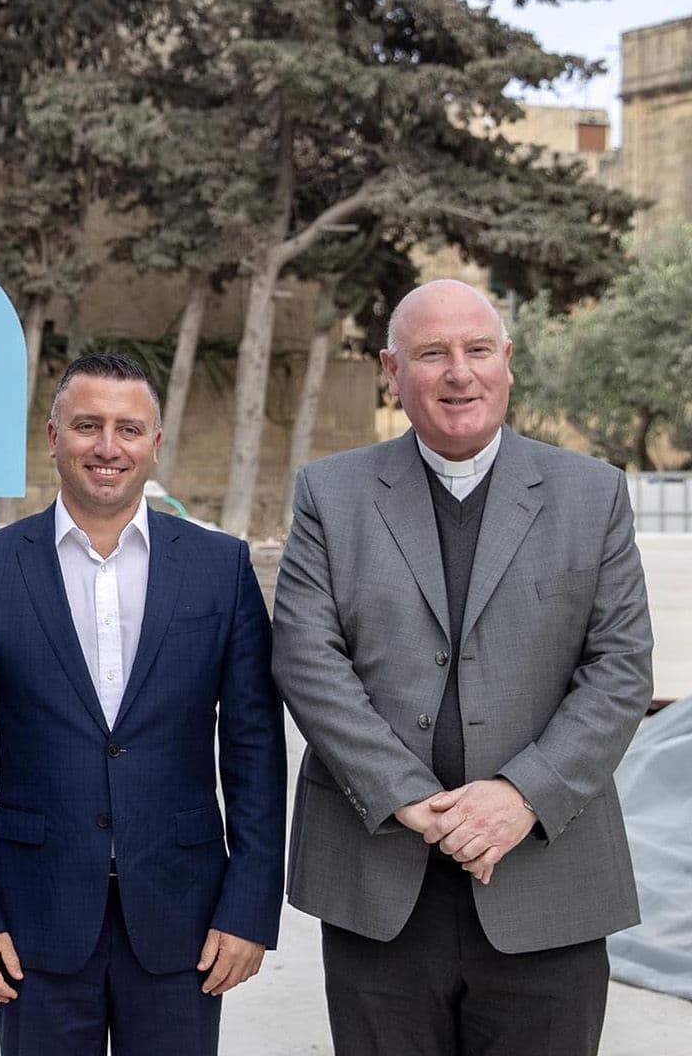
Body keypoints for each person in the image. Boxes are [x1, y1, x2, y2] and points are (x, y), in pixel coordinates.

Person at [273, 279, 654, 1056]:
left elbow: (620, 671)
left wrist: (521, 797)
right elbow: (308, 659)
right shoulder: (329, 494)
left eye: (478, 350)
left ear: (507, 361)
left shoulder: (593, 495)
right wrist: (407, 795)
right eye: (432, 354)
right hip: (379, 881)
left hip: (548, 879)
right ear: (391, 369)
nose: (459, 373)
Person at [0, 352, 285, 1055]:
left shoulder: (221, 568)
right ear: (54, 437)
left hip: (185, 918)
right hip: (34, 918)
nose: (108, 446)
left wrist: (248, 907)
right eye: (88, 425)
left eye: (129, 428)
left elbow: (255, 752)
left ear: (155, 444)